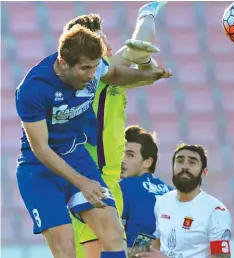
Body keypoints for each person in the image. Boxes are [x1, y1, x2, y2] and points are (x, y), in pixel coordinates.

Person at [15, 24, 171, 258]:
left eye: (95, 68)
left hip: (76, 157)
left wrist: (148, 76)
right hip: (40, 172)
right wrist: (83, 183)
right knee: (66, 248)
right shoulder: (32, 89)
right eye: (85, 69)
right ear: (63, 63)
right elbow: (41, 149)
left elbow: (114, 74)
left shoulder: (93, 68)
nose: (91, 75)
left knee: (113, 233)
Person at [66, 2, 169, 258]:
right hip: (91, 180)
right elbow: (137, 49)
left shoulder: (110, 76)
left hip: (112, 181)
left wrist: (145, 62)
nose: (108, 48)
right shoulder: (90, 77)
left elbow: (144, 71)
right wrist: (149, 12)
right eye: (101, 43)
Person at [137, 144, 232, 258]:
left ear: (204, 172)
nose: (185, 166)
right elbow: (156, 243)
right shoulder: (162, 202)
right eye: (180, 161)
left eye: (192, 162)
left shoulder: (215, 211)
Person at [120, 126, 174, 251]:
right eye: (121, 153)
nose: (122, 160)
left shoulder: (123, 188)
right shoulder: (172, 192)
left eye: (130, 155)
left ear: (147, 162)